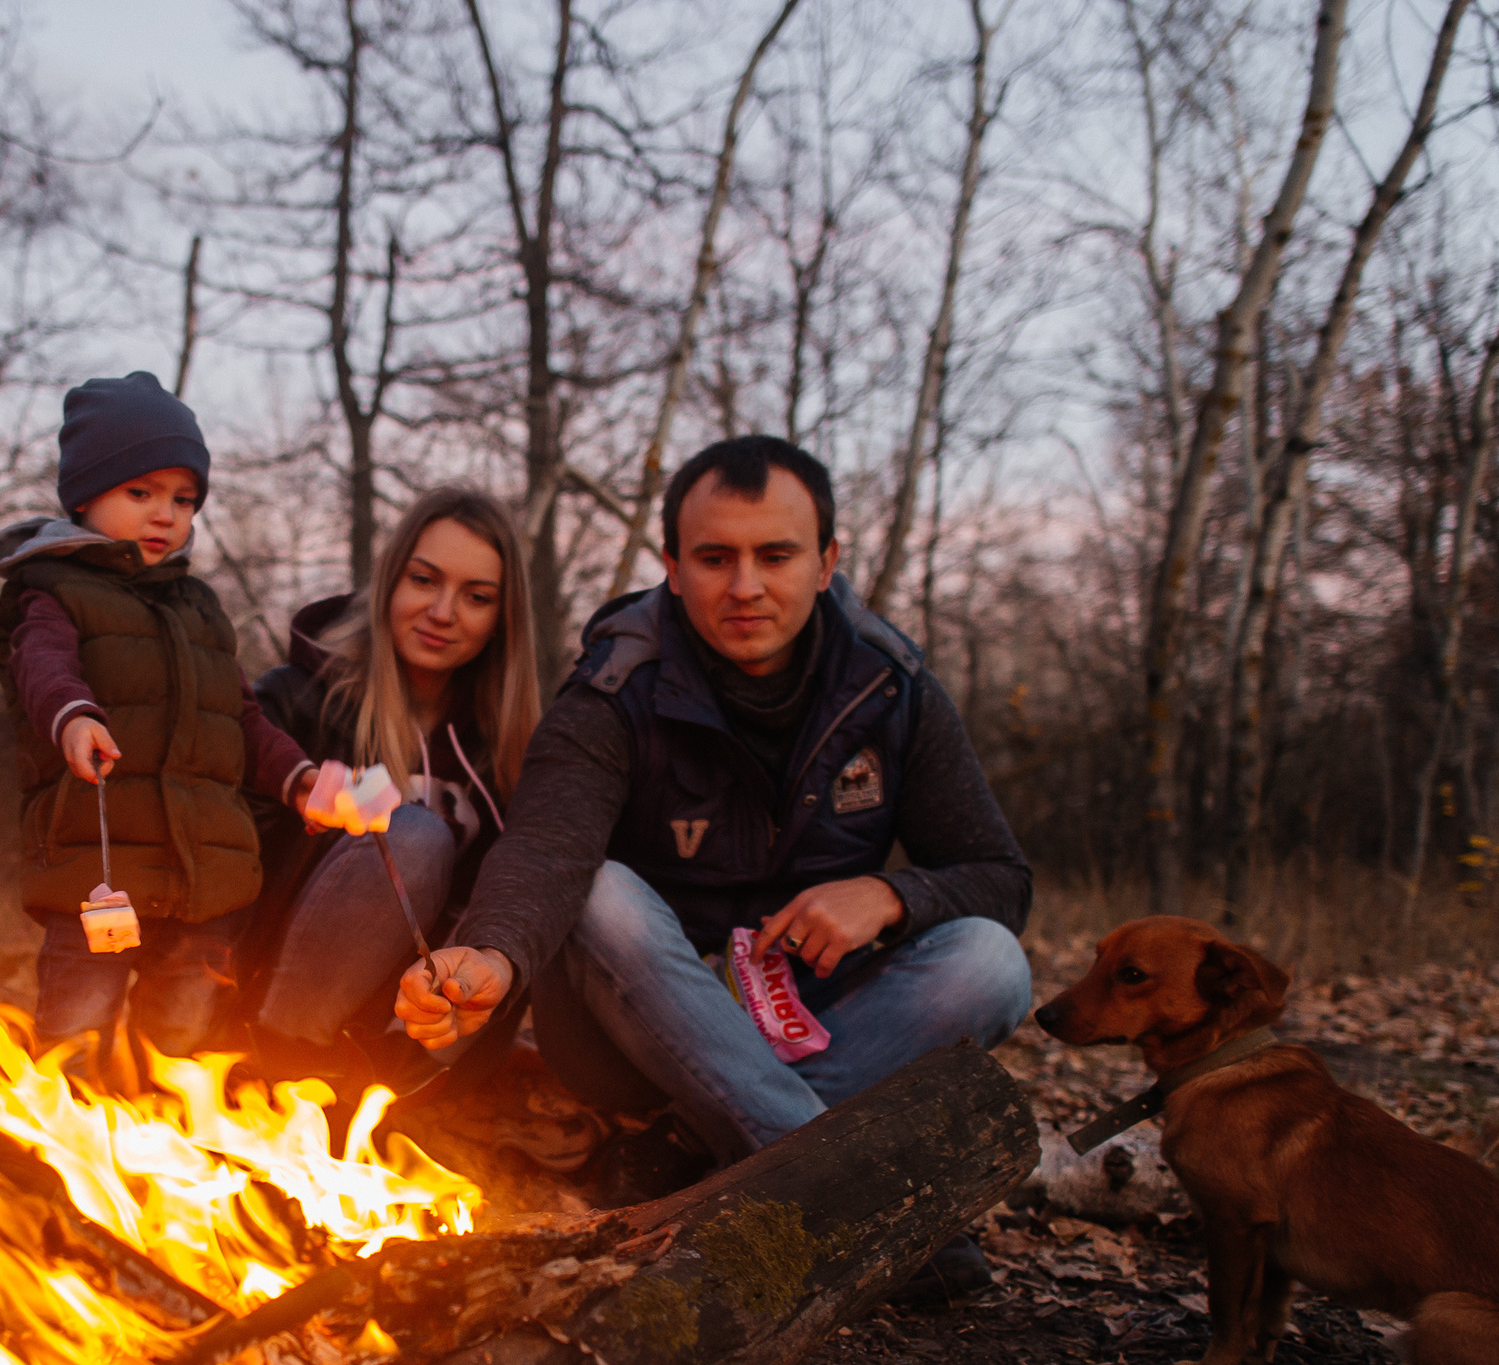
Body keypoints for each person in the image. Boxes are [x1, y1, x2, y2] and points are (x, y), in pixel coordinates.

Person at [397, 435, 1032, 1277]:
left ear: (827, 560)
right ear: (671, 564)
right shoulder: (616, 688)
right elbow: (548, 847)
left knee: (993, 959)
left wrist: (889, 895)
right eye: (714, 557)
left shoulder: (891, 685)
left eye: (776, 554)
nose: (745, 586)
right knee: (601, 894)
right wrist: (491, 953)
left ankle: (696, 1149)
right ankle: (854, 1200)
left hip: (815, 1014)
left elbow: (999, 877)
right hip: (636, 1032)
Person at [0, 371, 325, 1054]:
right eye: (139, 492)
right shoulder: (52, 590)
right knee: (75, 1033)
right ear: (85, 494)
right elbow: (40, 666)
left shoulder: (198, 609)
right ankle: (60, 1147)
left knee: (178, 1040)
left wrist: (300, 779)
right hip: (98, 873)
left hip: (205, 881)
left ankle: (164, 1145)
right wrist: (75, 717)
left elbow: (242, 718)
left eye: (183, 498)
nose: (165, 513)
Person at [245, 489, 540, 1077]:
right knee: (414, 838)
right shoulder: (294, 701)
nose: (443, 612)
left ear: (501, 620)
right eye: (424, 580)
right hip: (273, 1003)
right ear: (389, 582)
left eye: (476, 597)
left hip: (413, 1032)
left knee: (535, 882)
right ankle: (280, 1067)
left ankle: (396, 1087)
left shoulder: (504, 749)